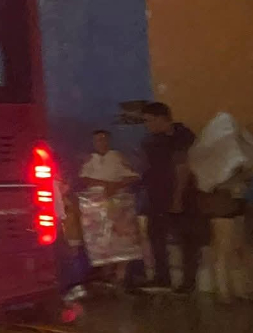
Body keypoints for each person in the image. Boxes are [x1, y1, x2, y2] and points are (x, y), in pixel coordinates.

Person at [140, 101, 202, 293]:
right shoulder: (154, 140)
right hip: (157, 195)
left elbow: (182, 168)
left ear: (161, 119)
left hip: (180, 195)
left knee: (186, 239)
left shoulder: (181, 136)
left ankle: (188, 282)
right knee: (156, 236)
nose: (147, 125)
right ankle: (162, 277)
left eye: (149, 120)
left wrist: (177, 198)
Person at [77, 129, 141, 287]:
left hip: (118, 204)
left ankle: (122, 274)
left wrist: (116, 186)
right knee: (102, 240)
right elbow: (84, 178)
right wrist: (104, 185)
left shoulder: (117, 157)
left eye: (103, 139)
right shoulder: (91, 159)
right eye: (97, 140)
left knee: (122, 239)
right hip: (96, 206)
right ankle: (106, 273)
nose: (101, 143)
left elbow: (133, 176)